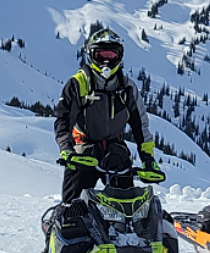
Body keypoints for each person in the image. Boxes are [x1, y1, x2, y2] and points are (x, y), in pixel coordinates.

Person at [52, 26, 162, 203]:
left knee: (128, 207)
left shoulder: (127, 87)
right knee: (72, 207)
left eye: (111, 56)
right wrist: (66, 149)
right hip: (83, 153)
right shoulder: (78, 83)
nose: (106, 62)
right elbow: (63, 119)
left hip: (116, 153)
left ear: (119, 57)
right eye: (101, 55)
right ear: (91, 55)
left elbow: (140, 125)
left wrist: (148, 159)